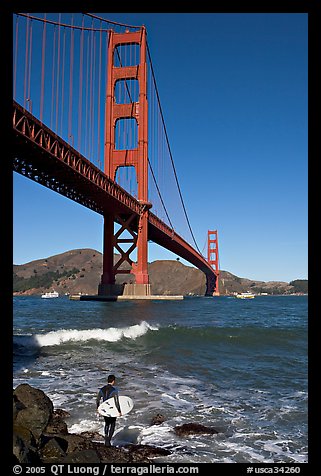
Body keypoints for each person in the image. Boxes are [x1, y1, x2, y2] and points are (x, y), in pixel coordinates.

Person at [96, 374, 122, 446]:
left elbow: (98, 400)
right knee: (113, 425)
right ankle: (108, 441)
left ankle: (106, 437)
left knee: (107, 424)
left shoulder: (102, 389)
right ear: (113, 381)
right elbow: (116, 402)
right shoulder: (114, 390)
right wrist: (119, 411)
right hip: (112, 409)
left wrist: (98, 408)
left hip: (105, 409)